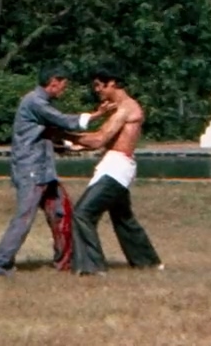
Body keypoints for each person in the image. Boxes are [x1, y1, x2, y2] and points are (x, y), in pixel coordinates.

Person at [0, 67, 109, 277]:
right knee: (24, 218)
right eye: (63, 86)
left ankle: (65, 262)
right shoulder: (35, 102)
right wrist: (99, 114)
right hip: (32, 171)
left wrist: (68, 146)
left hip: (44, 171)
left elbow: (51, 132)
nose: (63, 90)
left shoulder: (40, 103)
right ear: (53, 82)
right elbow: (64, 120)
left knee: (63, 212)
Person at [67, 68, 162, 275]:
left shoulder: (127, 108)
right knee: (123, 218)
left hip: (116, 168)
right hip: (113, 164)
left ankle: (92, 267)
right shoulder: (118, 108)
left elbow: (99, 138)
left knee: (82, 214)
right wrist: (70, 144)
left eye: (99, 86)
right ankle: (148, 263)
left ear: (111, 83)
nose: (97, 91)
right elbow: (104, 141)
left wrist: (64, 134)